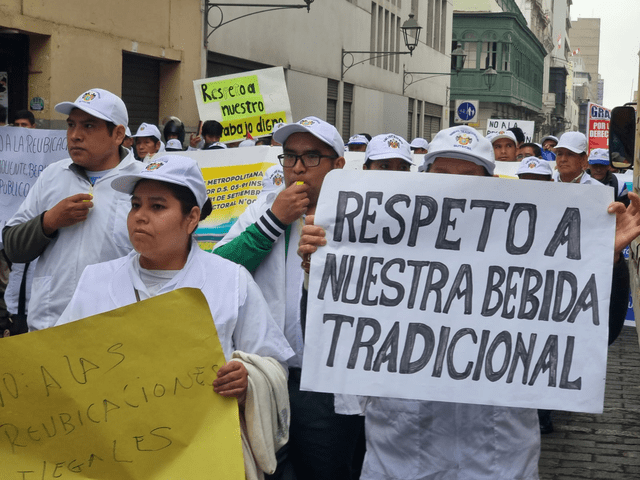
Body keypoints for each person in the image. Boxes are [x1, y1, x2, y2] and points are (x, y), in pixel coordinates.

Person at [297, 124, 640, 479]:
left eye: (470, 178)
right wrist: (319, 272)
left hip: (500, 462)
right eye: (443, 175)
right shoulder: (378, 251)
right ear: (423, 178)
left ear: (489, 186)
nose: (454, 187)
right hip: (399, 458)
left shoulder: (526, 259)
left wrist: (606, 263)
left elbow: (599, 335)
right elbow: (326, 344)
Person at [55, 155, 295, 477]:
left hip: (202, 459)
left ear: (191, 218)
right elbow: (59, 365)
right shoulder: (96, 281)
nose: (140, 217)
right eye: (135, 205)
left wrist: (247, 381)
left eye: (157, 207)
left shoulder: (230, 281)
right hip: (116, 459)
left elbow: (272, 362)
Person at [214, 116, 364, 480]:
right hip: (265, 381)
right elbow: (215, 273)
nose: (297, 168)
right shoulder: (263, 208)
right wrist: (274, 221)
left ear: (338, 165)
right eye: (290, 156)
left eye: (312, 157)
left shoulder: (361, 215)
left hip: (327, 388)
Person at [2, 88, 139, 331]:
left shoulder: (142, 184)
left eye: (88, 126)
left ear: (118, 134)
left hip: (115, 334)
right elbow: (13, 247)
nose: (75, 135)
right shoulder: (52, 175)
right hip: (50, 329)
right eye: (71, 125)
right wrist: (49, 221)